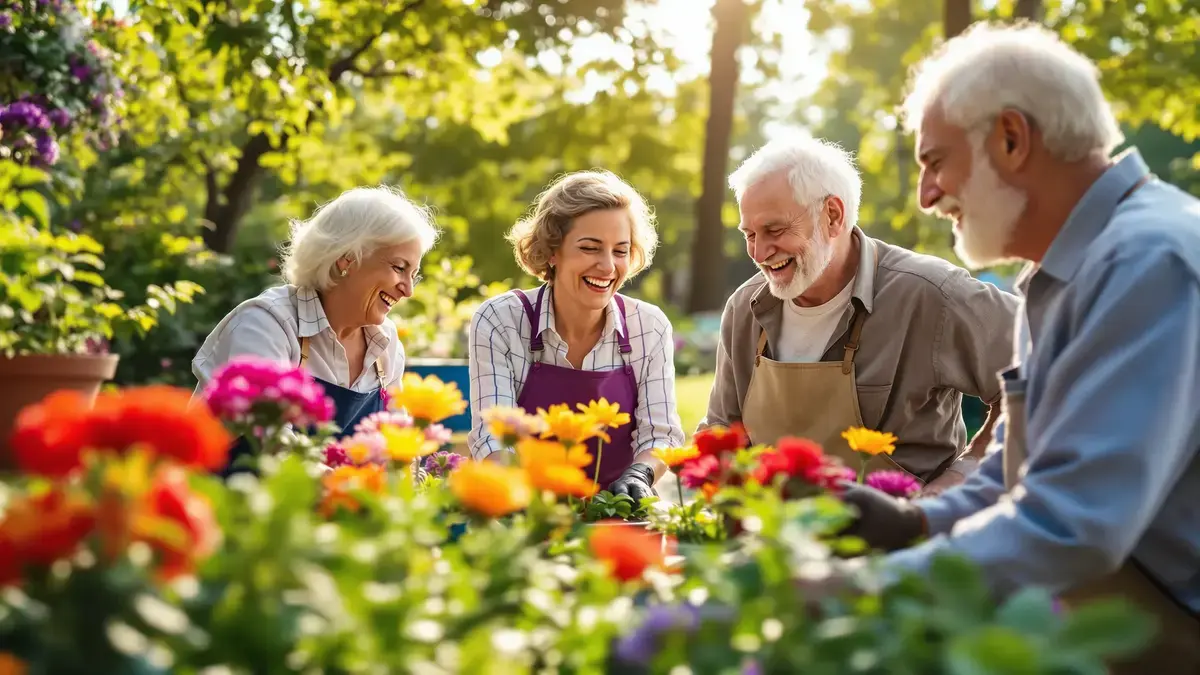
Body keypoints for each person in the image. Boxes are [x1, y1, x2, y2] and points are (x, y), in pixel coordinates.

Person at [839, 23, 1200, 672]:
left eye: (934, 161)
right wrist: (912, 523)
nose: (927, 197)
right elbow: (1018, 476)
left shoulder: (1148, 259)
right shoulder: (1062, 270)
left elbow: (1073, 525)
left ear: (1011, 138)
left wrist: (859, 592)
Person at [701, 135, 1018, 495]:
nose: (758, 251)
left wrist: (961, 479)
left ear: (833, 216)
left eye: (774, 229)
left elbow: (1044, 370)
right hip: (779, 542)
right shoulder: (746, 309)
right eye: (749, 234)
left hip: (906, 542)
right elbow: (721, 432)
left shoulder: (930, 294)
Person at [467, 170, 685, 501]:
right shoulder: (501, 320)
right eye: (590, 248)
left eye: (620, 250)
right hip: (523, 510)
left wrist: (640, 474)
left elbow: (660, 435)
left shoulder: (648, 327)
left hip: (616, 514)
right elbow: (493, 435)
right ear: (552, 251)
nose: (608, 266)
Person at [193, 185, 439, 475]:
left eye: (414, 274)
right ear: (346, 260)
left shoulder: (385, 342)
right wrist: (350, 489)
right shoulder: (269, 322)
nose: (408, 290)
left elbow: (398, 448)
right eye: (399, 267)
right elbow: (270, 440)